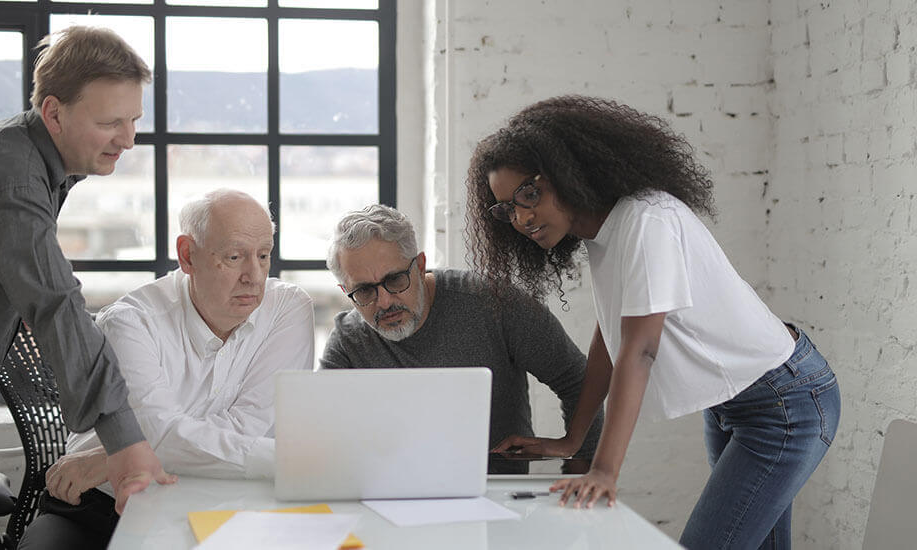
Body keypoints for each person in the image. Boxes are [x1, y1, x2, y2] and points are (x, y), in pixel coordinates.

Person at [466, 95, 840, 550]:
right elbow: (611, 335)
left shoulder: (646, 220)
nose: (522, 217)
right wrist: (572, 441)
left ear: (567, 171)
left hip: (783, 404)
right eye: (507, 207)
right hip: (733, 406)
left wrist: (604, 469)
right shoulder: (601, 232)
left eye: (529, 193)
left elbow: (640, 350)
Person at [0, 26, 174, 549]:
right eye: (110, 123)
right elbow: (54, 299)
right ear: (54, 113)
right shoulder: (10, 173)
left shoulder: (40, 162)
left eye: (133, 120)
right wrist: (122, 441)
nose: (128, 139)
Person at [18, 189, 314, 549]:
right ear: (188, 255)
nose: (253, 275)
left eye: (264, 255)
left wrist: (116, 454)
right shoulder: (131, 323)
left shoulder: (287, 309)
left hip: (223, 503)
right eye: (234, 256)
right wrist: (138, 448)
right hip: (103, 504)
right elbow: (162, 432)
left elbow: (252, 428)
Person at [321, 204, 603, 465]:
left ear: (420, 266)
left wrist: (580, 467)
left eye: (395, 280)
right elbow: (321, 429)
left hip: (497, 498)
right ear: (346, 292)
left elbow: (578, 380)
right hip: (382, 498)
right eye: (365, 291)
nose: (384, 302)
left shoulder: (494, 303)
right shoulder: (348, 340)